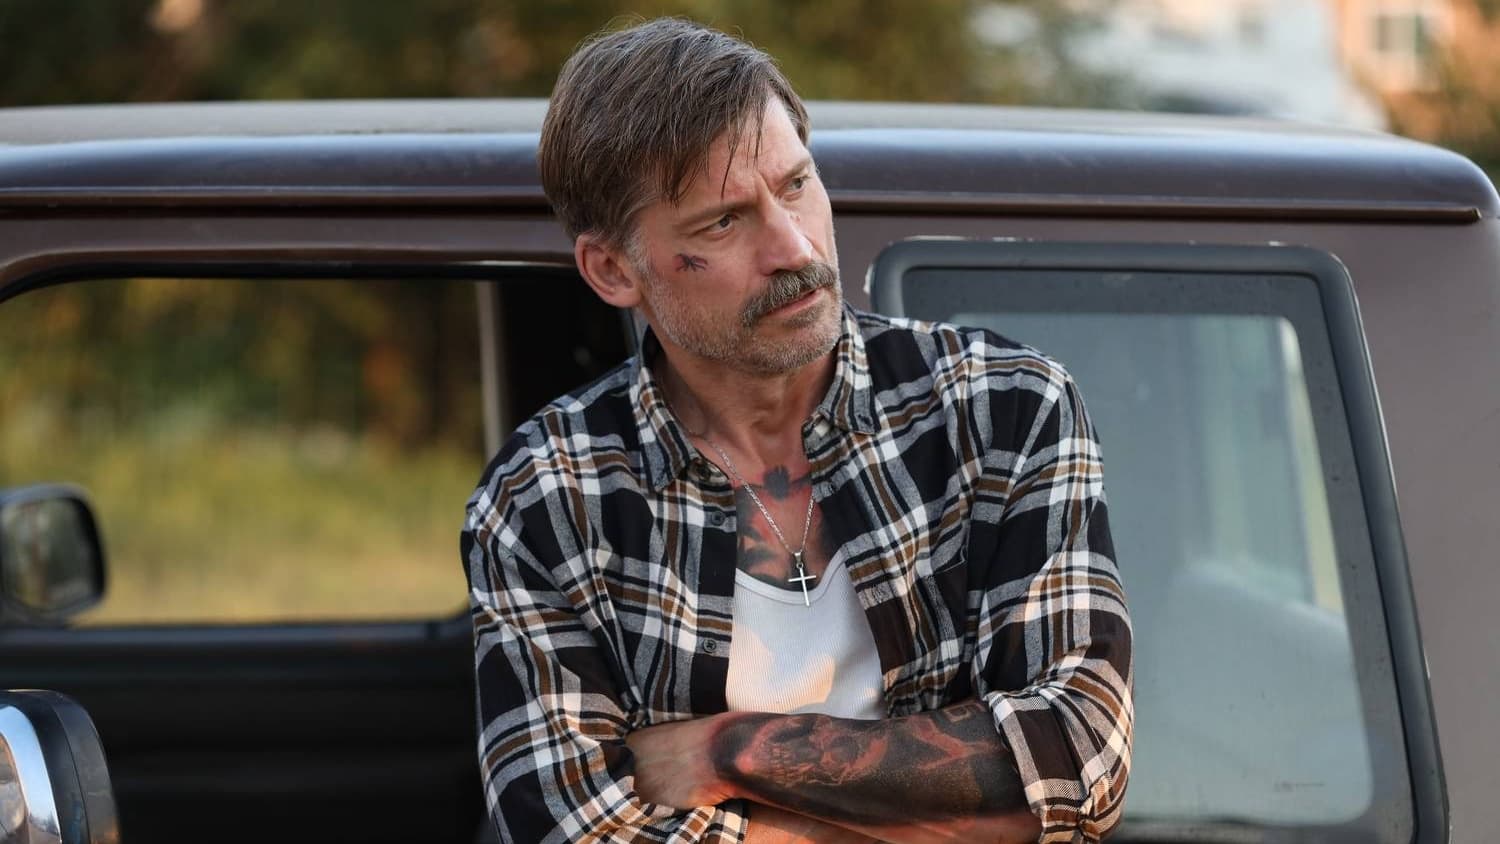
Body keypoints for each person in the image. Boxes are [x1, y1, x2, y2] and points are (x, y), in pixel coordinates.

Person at [462, 17, 1132, 844]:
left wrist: (730, 751)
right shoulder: (545, 498)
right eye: (723, 222)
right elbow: (574, 832)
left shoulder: (1004, 409)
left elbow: (1080, 763)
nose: (792, 245)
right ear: (612, 269)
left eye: (795, 185)